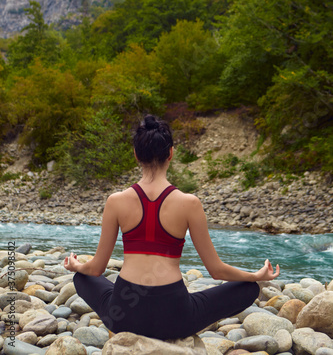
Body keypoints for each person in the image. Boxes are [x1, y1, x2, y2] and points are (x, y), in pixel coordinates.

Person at [64, 114, 279, 341]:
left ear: (136, 155)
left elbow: (96, 269)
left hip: (124, 317)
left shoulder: (115, 201)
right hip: (175, 319)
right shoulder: (189, 203)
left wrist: (78, 265)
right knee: (249, 288)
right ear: (171, 154)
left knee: (82, 277)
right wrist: (254, 275)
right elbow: (216, 270)